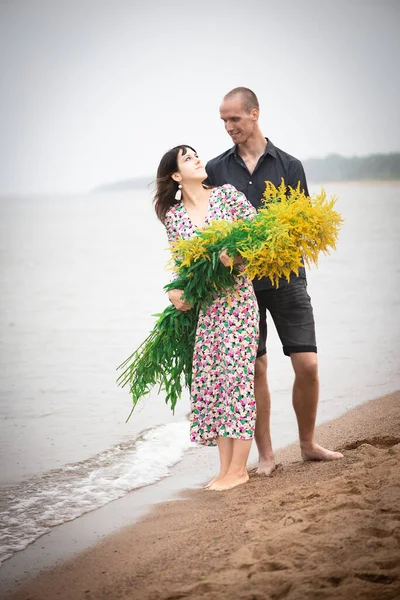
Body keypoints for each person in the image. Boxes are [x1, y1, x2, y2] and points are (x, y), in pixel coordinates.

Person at [205, 87, 343, 475]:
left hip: (287, 277)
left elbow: (301, 225)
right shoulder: (215, 170)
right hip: (239, 286)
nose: (229, 127)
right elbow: (207, 229)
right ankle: (265, 456)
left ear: (254, 113)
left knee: (308, 365)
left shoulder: (290, 165)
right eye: (223, 121)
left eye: (234, 119)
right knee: (256, 370)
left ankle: (308, 444)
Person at [155, 144, 259, 491]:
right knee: (213, 383)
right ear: (175, 175)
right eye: (188, 158)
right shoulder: (174, 217)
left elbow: (259, 239)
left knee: (237, 380)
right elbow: (183, 266)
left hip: (238, 301)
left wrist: (239, 257)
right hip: (207, 308)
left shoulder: (227, 196)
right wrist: (174, 291)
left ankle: (240, 470)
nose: (198, 159)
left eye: (196, 154)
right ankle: (225, 469)